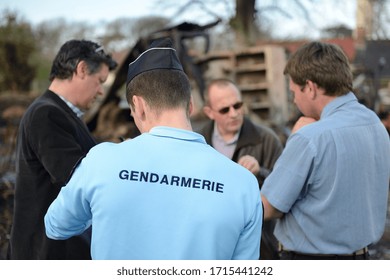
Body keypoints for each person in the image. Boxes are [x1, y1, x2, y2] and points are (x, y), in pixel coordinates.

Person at [44, 39, 262, 260]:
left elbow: (55, 226)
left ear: (138, 106)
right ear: (190, 104)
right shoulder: (243, 183)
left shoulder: (101, 161)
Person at [261, 41, 390, 260]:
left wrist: (294, 139)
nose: (294, 100)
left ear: (310, 88)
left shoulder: (309, 138)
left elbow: (270, 207)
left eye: (294, 92)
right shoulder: (375, 125)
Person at [8, 39, 117, 259]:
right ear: (82, 69)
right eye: (100, 81)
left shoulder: (59, 112)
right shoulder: (46, 114)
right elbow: (78, 180)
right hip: (46, 254)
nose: (100, 92)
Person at [197, 78, 283, 259]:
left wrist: (260, 171)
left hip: (259, 246)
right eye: (224, 109)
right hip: (211, 245)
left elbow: (285, 190)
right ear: (209, 112)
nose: (234, 113)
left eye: (237, 105)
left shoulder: (267, 140)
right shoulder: (198, 143)